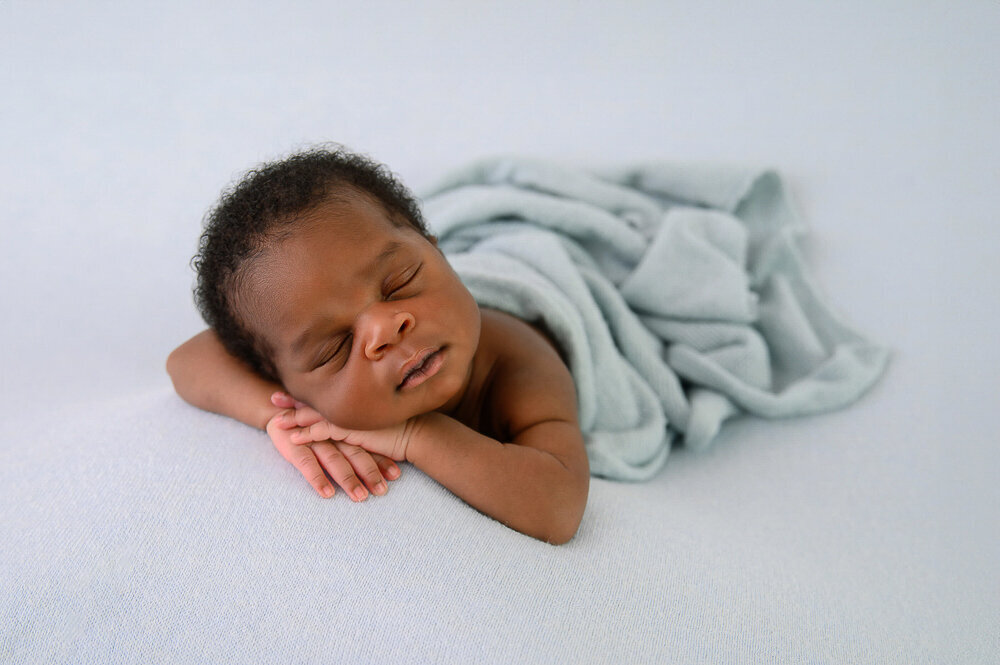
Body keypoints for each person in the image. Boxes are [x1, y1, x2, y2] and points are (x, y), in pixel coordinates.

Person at [166, 147, 590, 544]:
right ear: (283, 379)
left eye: (400, 283)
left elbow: (558, 508)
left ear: (437, 253)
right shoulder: (287, 357)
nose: (384, 330)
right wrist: (281, 417)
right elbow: (185, 361)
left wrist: (415, 435)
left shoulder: (519, 362)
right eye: (334, 348)